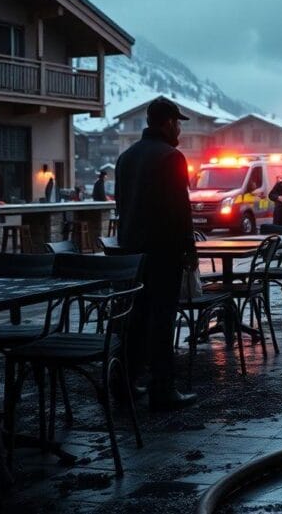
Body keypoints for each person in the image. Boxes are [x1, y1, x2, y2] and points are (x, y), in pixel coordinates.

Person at [115, 97, 198, 411]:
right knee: (162, 319)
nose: (179, 129)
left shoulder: (126, 158)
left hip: (131, 252)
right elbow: (181, 209)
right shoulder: (171, 157)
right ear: (167, 123)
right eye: (177, 123)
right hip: (164, 251)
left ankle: (124, 381)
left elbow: (121, 206)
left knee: (134, 318)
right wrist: (189, 249)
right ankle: (163, 389)